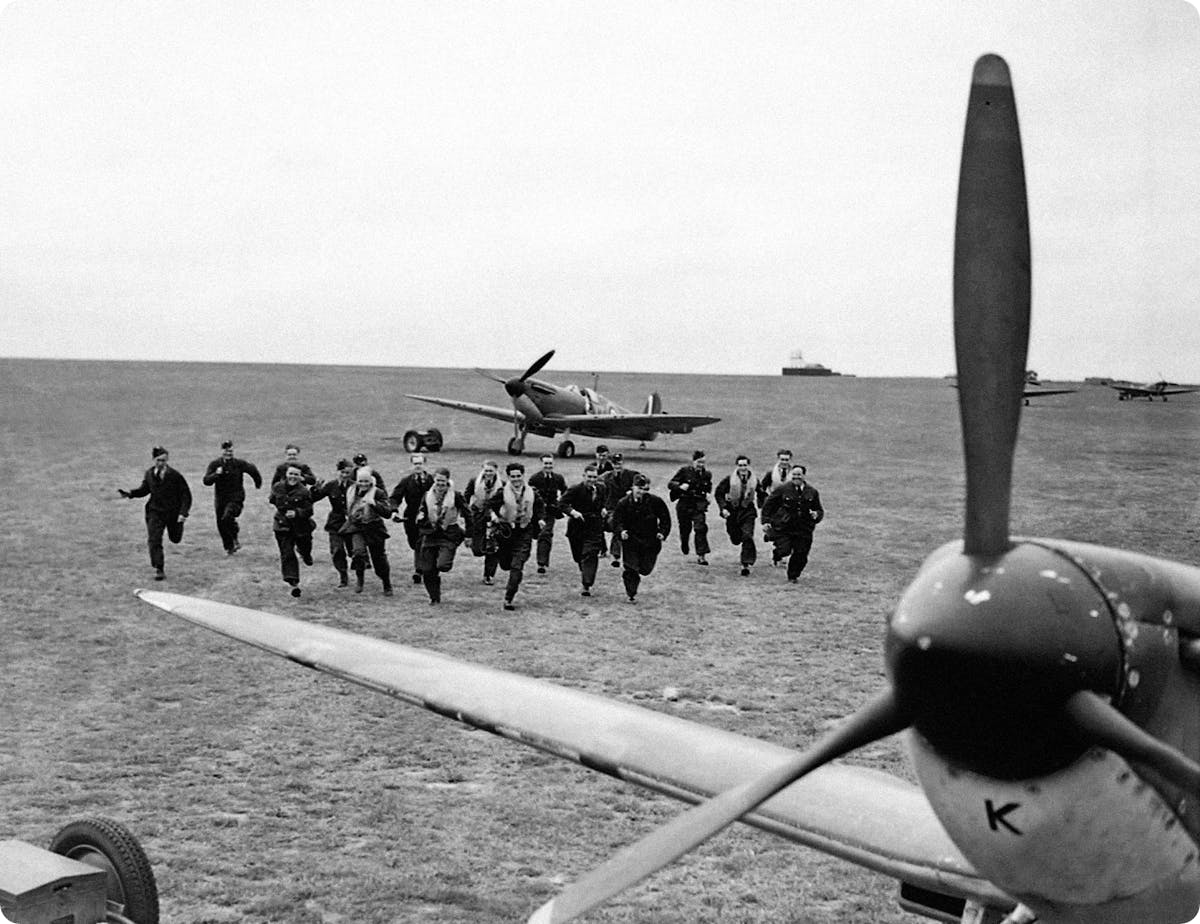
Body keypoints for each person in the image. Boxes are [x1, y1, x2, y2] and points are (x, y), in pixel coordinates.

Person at [118, 446, 192, 581]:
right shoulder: (149, 474)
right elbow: (144, 490)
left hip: (172, 513)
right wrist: (130, 494)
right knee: (154, 539)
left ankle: (177, 529)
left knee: (175, 538)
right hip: (155, 512)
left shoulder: (175, 475)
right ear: (153, 460)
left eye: (164, 460)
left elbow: (186, 495)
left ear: (167, 460)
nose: (161, 463)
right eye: (158, 460)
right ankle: (159, 568)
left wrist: (183, 513)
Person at [485, 461, 545, 611]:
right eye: (513, 476)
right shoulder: (502, 492)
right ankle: (502, 559)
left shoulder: (532, 492)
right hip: (507, 532)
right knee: (506, 564)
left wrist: (541, 519)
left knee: (517, 566)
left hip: (525, 531)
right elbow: (489, 505)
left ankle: (509, 598)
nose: (516, 479)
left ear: (523, 476)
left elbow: (539, 506)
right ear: (509, 477)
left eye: (519, 476)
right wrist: (494, 516)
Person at [611, 474, 672, 604]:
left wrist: (662, 532)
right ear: (632, 487)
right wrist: (621, 531)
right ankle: (631, 593)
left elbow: (665, 518)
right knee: (631, 568)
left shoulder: (655, 501)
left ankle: (640, 572)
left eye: (644, 489)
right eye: (638, 488)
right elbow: (616, 521)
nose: (641, 492)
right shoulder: (624, 503)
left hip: (650, 542)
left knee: (645, 569)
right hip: (631, 541)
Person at [761, 463, 825, 583]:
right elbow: (769, 505)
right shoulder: (783, 489)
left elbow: (819, 509)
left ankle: (793, 576)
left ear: (804, 476)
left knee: (801, 554)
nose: (796, 477)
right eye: (794, 474)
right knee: (784, 550)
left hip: (804, 528)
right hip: (785, 527)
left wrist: (816, 515)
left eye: (799, 475)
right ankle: (775, 547)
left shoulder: (812, 492)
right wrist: (766, 521)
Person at [414, 467, 468, 604]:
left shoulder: (456, 496)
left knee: (443, 565)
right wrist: (422, 521)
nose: (440, 485)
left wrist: (469, 535)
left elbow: (468, 515)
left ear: (448, 481)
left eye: (443, 482)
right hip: (430, 534)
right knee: (427, 569)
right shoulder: (427, 495)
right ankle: (434, 597)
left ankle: (445, 559)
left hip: (448, 534)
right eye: (437, 481)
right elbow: (422, 512)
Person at [339, 466, 394, 595]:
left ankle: (386, 583)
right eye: (360, 481)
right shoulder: (351, 491)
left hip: (374, 528)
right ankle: (360, 579)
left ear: (371, 481)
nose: (363, 484)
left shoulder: (378, 493)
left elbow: (387, 512)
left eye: (366, 481)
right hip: (356, 527)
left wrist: (374, 503)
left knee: (378, 558)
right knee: (358, 553)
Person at [201, 439, 263, 554]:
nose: (228, 453)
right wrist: (216, 474)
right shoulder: (215, 464)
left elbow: (252, 470)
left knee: (227, 517)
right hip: (221, 498)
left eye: (230, 451)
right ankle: (229, 547)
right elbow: (206, 481)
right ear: (221, 451)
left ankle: (234, 536)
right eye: (226, 451)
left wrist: (257, 483)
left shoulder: (238, 464)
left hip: (236, 497)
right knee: (221, 523)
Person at [559, 463, 609, 597]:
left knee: (590, 554)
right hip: (577, 527)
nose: (592, 480)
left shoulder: (601, 488)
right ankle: (585, 573)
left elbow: (602, 501)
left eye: (594, 477)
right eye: (589, 477)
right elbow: (562, 504)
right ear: (584, 476)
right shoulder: (575, 489)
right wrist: (573, 512)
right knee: (579, 556)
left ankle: (586, 584)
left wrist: (603, 508)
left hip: (594, 527)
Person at [269, 464, 316, 597]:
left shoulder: (304, 492)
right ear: (286, 475)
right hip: (282, 525)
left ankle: (306, 554)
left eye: (296, 475)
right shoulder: (278, 487)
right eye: (291, 474)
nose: (293, 477)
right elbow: (272, 500)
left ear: (300, 477)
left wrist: (296, 512)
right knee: (287, 552)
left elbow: (309, 510)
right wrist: (283, 512)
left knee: (305, 546)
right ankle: (293, 581)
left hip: (300, 526)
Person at [390, 453, 435, 585]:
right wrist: (394, 511)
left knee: (421, 543)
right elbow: (394, 497)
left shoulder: (432, 481)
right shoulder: (406, 481)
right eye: (415, 464)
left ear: (425, 464)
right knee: (414, 543)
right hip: (410, 517)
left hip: (428, 517)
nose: (418, 466)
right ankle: (423, 566)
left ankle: (419, 570)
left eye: (420, 463)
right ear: (411, 465)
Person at [311, 458, 356, 587]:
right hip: (335, 523)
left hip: (352, 523)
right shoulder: (331, 486)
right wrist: (315, 488)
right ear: (338, 472)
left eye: (348, 473)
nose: (345, 475)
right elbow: (314, 498)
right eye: (342, 472)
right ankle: (343, 575)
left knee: (354, 550)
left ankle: (359, 574)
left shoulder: (355, 486)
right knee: (337, 550)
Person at [715, 454, 760, 577]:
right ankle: (737, 539)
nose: (743, 468)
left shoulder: (754, 480)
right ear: (737, 467)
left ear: (748, 466)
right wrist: (723, 508)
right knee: (735, 538)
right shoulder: (729, 480)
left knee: (747, 535)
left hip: (748, 511)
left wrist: (765, 505)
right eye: (740, 465)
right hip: (732, 511)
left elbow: (761, 493)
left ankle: (746, 563)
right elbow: (718, 493)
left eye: (745, 465)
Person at [667, 450, 713, 565]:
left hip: (698, 505)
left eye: (703, 462)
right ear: (693, 462)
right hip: (684, 504)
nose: (700, 465)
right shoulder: (685, 471)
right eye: (699, 462)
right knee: (685, 528)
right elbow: (670, 484)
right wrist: (680, 486)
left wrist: (708, 496)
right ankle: (684, 542)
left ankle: (701, 555)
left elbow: (708, 488)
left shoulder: (707, 474)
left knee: (700, 528)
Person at [464, 460, 504, 585]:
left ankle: (489, 575)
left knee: (493, 547)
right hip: (478, 516)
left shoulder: (502, 484)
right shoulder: (474, 482)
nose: (488, 473)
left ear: (496, 471)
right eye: (486, 470)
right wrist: (466, 511)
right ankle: (479, 548)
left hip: (494, 518)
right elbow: (467, 495)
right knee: (477, 549)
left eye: (491, 471)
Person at [527, 454, 567, 574]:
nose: (548, 466)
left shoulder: (558, 478)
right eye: (546, 463)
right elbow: (529, 495)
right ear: (541, 464)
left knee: (545, 534)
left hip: (550, 512)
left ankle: (542, 563)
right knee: (536, 534)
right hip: (537, 512)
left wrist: (559, 503)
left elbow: (566, 492)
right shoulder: (535, 478)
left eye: (550, 463)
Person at [599, 452, 638, 567]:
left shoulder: (631, 475)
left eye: (619, 464)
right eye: (615, 464)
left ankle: (615, 555)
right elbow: (597, 489)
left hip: (625, 509)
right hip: (610, 507)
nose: (618, 467)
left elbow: (643, 481)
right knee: (597, 524)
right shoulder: (606, 477)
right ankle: (603, 549)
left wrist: (632, 491)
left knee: (617, 524)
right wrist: (602, 507)